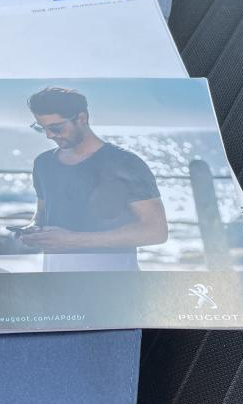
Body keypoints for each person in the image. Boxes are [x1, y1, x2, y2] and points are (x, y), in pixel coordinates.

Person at [19, 86, 168, 271]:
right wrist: (34, 230)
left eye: (56, 128)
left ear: (81, 118)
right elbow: (42, 214)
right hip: (55, 278)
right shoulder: (43, 163)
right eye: (42, 128)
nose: (49, 135)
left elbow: (156, 231)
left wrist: (74, 240)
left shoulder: (126, 163)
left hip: (113, 281)